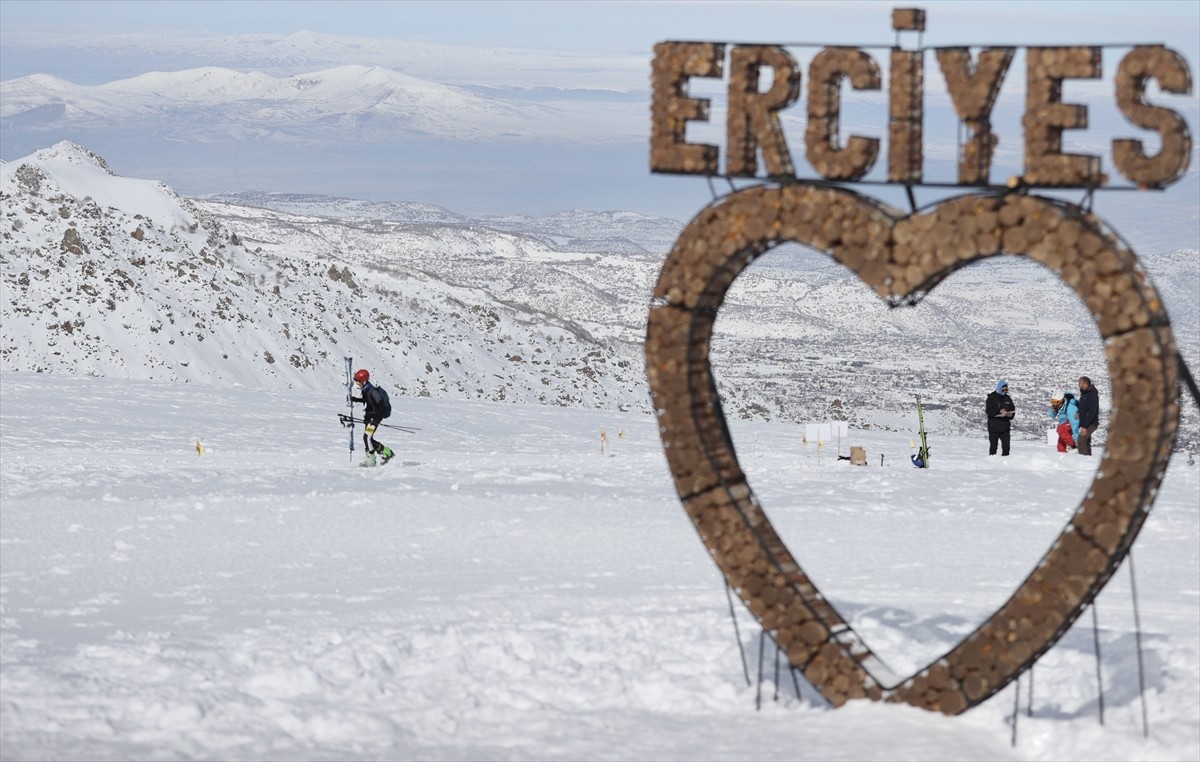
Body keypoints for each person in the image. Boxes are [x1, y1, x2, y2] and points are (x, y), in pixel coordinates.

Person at [351, 368, 394, 466]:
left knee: (367, 438)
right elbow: (367, 401)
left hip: (374, 419)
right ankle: (387, 452)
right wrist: (354, 399)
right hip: (369, 418)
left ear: (364, 381)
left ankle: (371, 459)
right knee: (367, 438)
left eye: (358, 382)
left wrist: (376, 419)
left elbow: (381, 404)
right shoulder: (366, 390)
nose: (358, 385)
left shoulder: (373, 391)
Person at [986, 379, 1016, 456]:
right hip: (994, 427)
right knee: (993, 447)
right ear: (999, 388)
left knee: (1006, 448)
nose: (1005, 391)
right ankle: (992, 463)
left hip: (1005, 427)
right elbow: (989, 411)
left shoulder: (1008, 398)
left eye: (1006, 390)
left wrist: (1010, 415)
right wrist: (999, 411)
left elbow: (1012, 409)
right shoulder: (991, 397)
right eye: (1003, 389)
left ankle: (1005, 463)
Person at [1076, 375, 1100, 456]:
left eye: (1081, 384)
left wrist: (1085, 426)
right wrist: (1079, 412)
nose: (1079, 386)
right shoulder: (1085, 393)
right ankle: (1088, 460)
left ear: (1086, 384)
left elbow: (1092, 411)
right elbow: (1084, 406)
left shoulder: (1092, 395)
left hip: (1090, 423)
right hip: (1085, 421)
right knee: (1086, 441)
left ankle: (1083, 459)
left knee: (1081, 440)